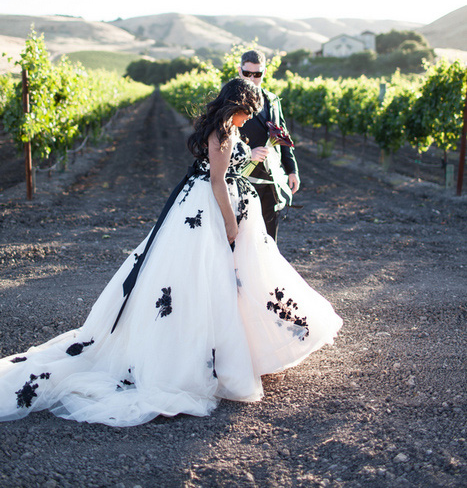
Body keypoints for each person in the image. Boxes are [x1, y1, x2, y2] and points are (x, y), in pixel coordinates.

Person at [0, 78, 342, 427]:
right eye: (246, 112)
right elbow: (217, 181)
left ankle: (237, 353)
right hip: (206, 214)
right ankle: (200, 361)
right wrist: (230, 224)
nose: (248, 119)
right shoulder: (222, 134)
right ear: (235, 107)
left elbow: (227, 173)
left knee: (232, 280)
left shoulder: (226, 130)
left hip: (209, 207)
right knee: (203, 280)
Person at [238, 49, 299, 240]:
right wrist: (248, 153)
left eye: (256, 74)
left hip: (272, 177)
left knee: (269, 234)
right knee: (243, 233)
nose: (251, 78)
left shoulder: (272, 100)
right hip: (243, 177)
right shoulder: (230, 100)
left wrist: (292, 170)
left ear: (264, 73)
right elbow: (222, 138)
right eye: (247, 73)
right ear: (240, 71)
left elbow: (282, 134)